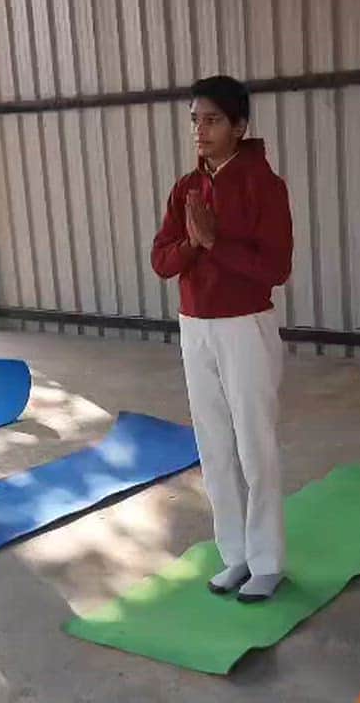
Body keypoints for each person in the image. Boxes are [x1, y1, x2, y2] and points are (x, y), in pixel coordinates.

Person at [151, 76, 294, 603]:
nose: (200, 130)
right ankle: (233, 554)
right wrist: (194, 244)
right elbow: (162, 261)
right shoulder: (186, 187)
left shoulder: (263, 185)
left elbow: (274, 269)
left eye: (211, 120)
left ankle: (268, 560)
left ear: (239, 125)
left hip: (244, 325)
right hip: (195, 325)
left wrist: (214, 242)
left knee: (254, 443)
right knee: (213, 443)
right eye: (195, 120)